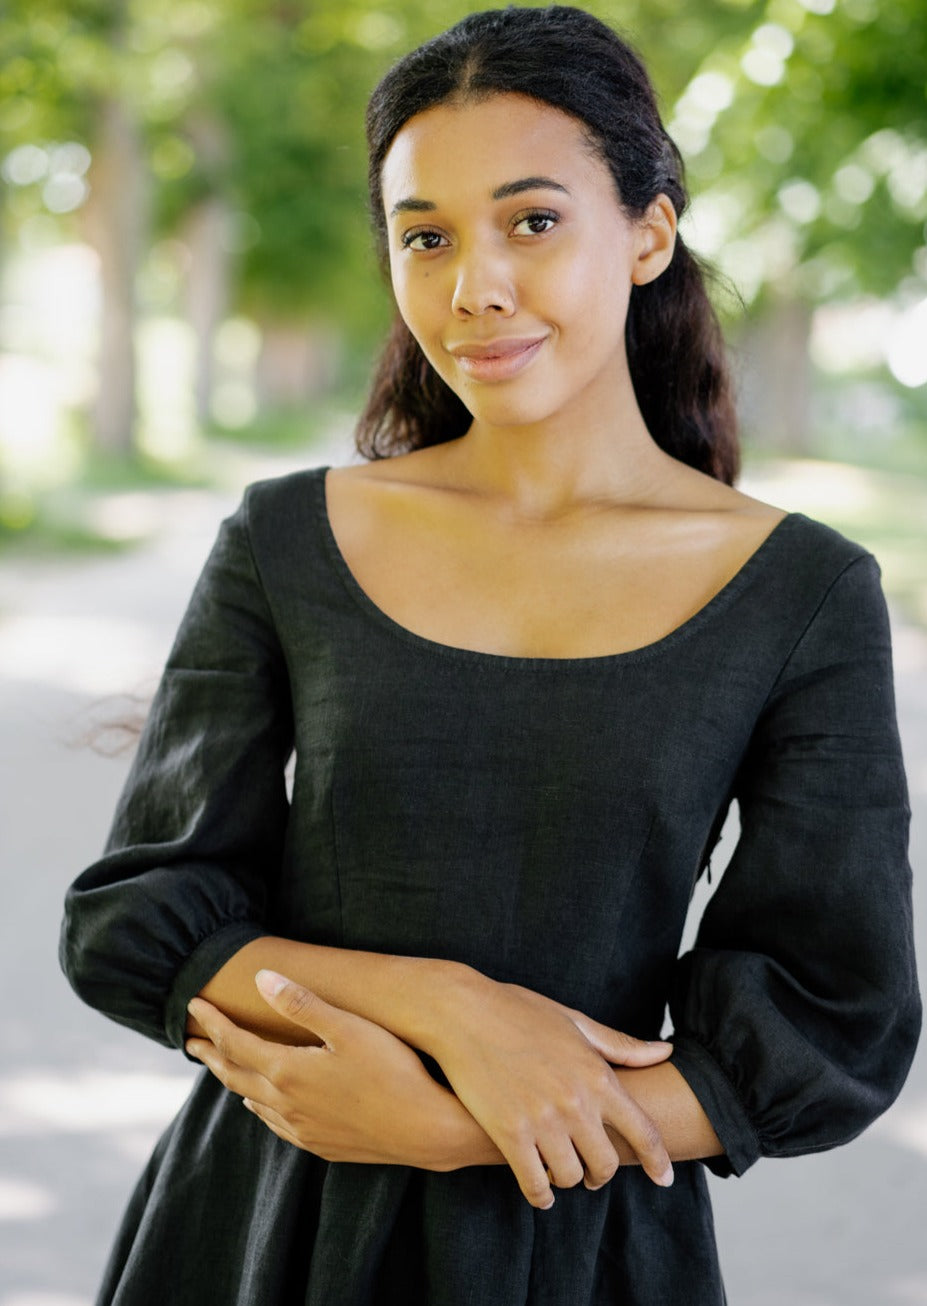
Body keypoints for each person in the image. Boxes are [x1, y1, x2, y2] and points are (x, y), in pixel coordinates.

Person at [60, 6, 920, 1304]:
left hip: (581, 1246)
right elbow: (140, 922)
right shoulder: (287, 538)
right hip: (261, 1228)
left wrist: (451, 1123)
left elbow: (828, 1024)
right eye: (426, 236)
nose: (476, 286)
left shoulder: (801, 592)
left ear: (647, 232)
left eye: (532, 221)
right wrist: (456, 1006)